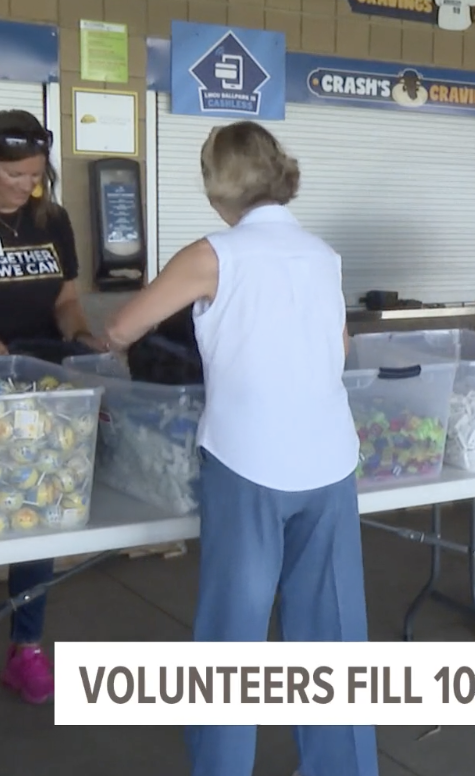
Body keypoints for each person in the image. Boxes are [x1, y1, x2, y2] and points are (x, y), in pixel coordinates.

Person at [103, 121, 378, 776]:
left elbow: (122, 326)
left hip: (249, 463)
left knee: (233, 641)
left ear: (216, 183)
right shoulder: (322, 254)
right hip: (330, 461)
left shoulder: (212, 255)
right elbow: (337, 349)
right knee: (333, 635)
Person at [0, 108, 105, 706]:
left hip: (40, 383)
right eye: (13, 174)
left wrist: (81, 338)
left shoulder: (52, 219)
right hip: (4, 376)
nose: (25, 186)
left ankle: (27, 649)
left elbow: (66, 300)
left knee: (37, 507)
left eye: (35, 175)